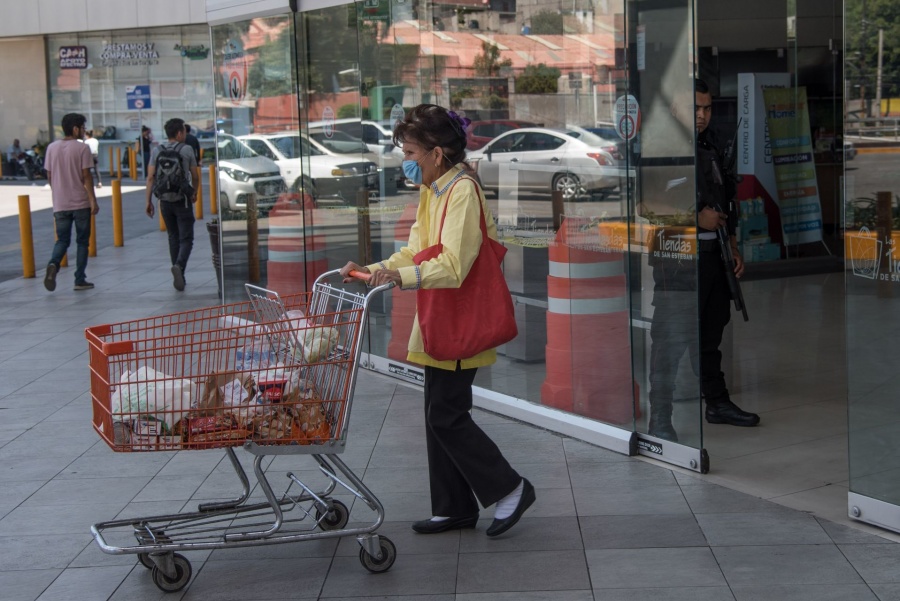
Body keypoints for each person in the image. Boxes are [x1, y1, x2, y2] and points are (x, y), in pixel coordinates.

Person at [339, 104, 535, 538]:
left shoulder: (462, 190)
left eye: (410, 150)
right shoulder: (435, 189)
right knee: (437, 413)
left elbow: (453, 264)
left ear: (437, 153)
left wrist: (401, 277)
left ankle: (511, 487)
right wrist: (373, 270)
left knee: (447, 414)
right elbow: (414, 250)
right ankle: (453, 507)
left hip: (460, 320)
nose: (405, 159)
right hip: (439, 318)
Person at [647, 79, 759, 442]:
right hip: (677, 261)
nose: (702, 115)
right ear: (676, 109)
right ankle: (659, 418)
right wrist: (695, 219)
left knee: (711, 336)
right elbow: (648, 206)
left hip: (714, 257)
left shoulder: (709, 145)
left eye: (707, 108)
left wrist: (733, 245)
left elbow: (726, 203)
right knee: (670, 341)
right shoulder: (661, 148)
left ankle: (717, 402)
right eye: (695, 108)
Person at [43, 113, 100, 292]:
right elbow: (86, 176)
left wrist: (58, 193)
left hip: (60, 204)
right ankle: (79, 279)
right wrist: (93, 200)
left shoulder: (51, 148)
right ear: (75, 128)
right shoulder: (82, 149)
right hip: (80, 203)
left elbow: (50, 175)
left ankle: (53, 264)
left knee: (62, 240)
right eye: (83, 128)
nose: (84, 131)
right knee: (82, 242)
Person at [145, 118, 200, 291]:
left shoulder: (157, 150)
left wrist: (148, 201)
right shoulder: (187, 149)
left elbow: (150, 177)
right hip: (182, 199)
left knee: (172, 236)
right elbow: (195, 175)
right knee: (187, 238)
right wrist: (194, 192)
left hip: (164, 201)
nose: (185, 134)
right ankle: (179, 266)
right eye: (183, 131)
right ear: (179, 133)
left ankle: (179, 274)